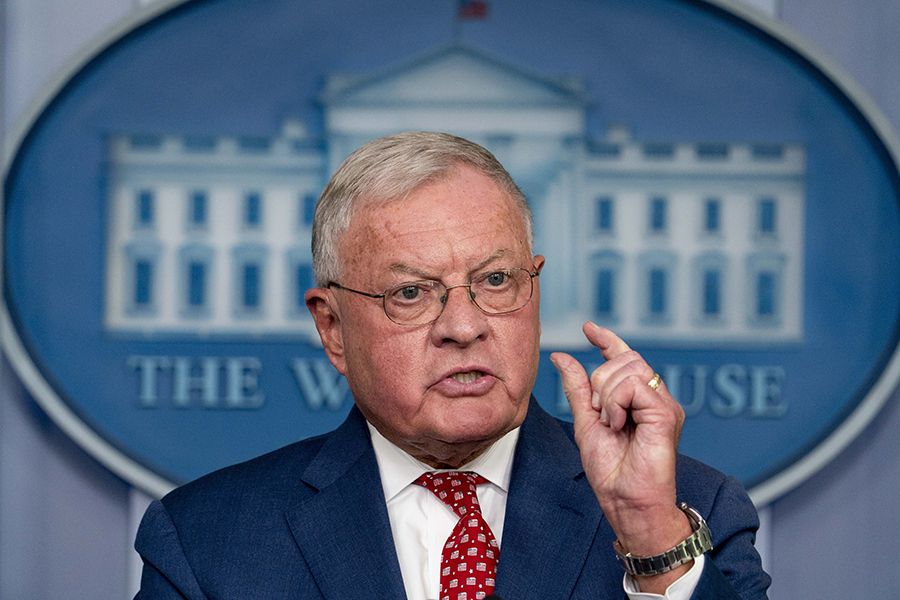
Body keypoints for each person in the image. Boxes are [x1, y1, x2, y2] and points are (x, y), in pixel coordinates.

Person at [134, 131, 770, 599]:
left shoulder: (690, 510)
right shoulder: (206, 540)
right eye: (411, 293)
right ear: (333, 328)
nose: (464, 327)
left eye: (495, 280)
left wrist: (651, 537)